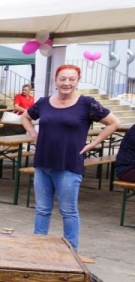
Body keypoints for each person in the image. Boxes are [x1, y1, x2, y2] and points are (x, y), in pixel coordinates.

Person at [21, 65, 120, 250]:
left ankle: (71, 251)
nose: (66, 83)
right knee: (42, 209)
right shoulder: (43, 103)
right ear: (55, 80)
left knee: (68, 211)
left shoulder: (87, 103)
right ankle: (37, 248)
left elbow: (114, 122)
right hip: (43, 163)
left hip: (69, 165)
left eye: (71, 79)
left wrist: (94, 143)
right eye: (63, 79)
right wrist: (33, 133)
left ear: (77, 81)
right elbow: (25, 117)